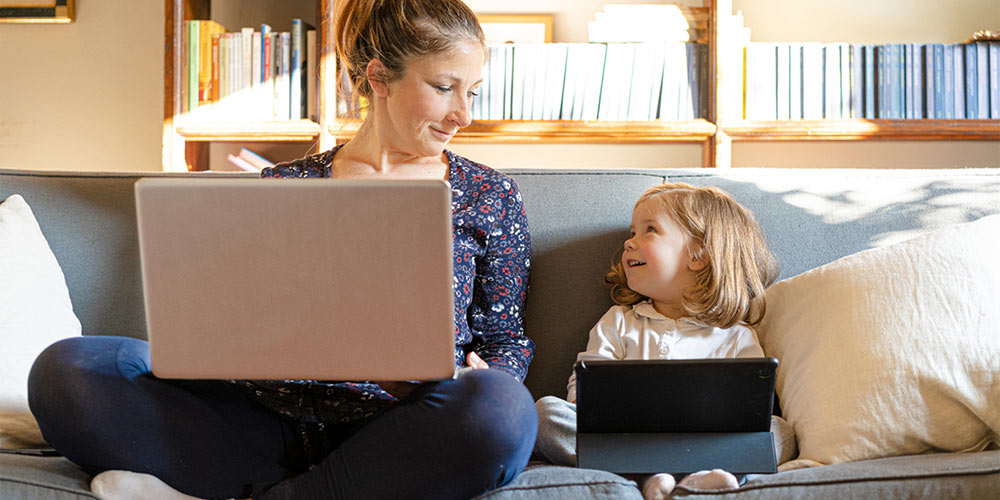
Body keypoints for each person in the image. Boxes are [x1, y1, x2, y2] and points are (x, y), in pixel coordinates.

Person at [27, 1, 537, 499]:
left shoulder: (489, 196)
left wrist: (480, 376)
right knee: (66, 372)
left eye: (472, 91)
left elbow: (506, 339)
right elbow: (226, 320)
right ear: (379, 78)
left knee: (502, 410)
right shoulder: (280, 186)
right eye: (445, 88)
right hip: (256, 425)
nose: (464, 114)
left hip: (397, 432)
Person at [533, 183, 790, 500]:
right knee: (546, 413)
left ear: (698, 255)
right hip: (628, 441)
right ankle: (652, 475)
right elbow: (584, 388)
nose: (629, 243)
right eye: (632, 232)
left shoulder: (735, 334)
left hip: (705, 443)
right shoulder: (620, 321)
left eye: (649, 230)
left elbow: (751, 409)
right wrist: (588, 409)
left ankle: (702, 476)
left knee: (780, 431)